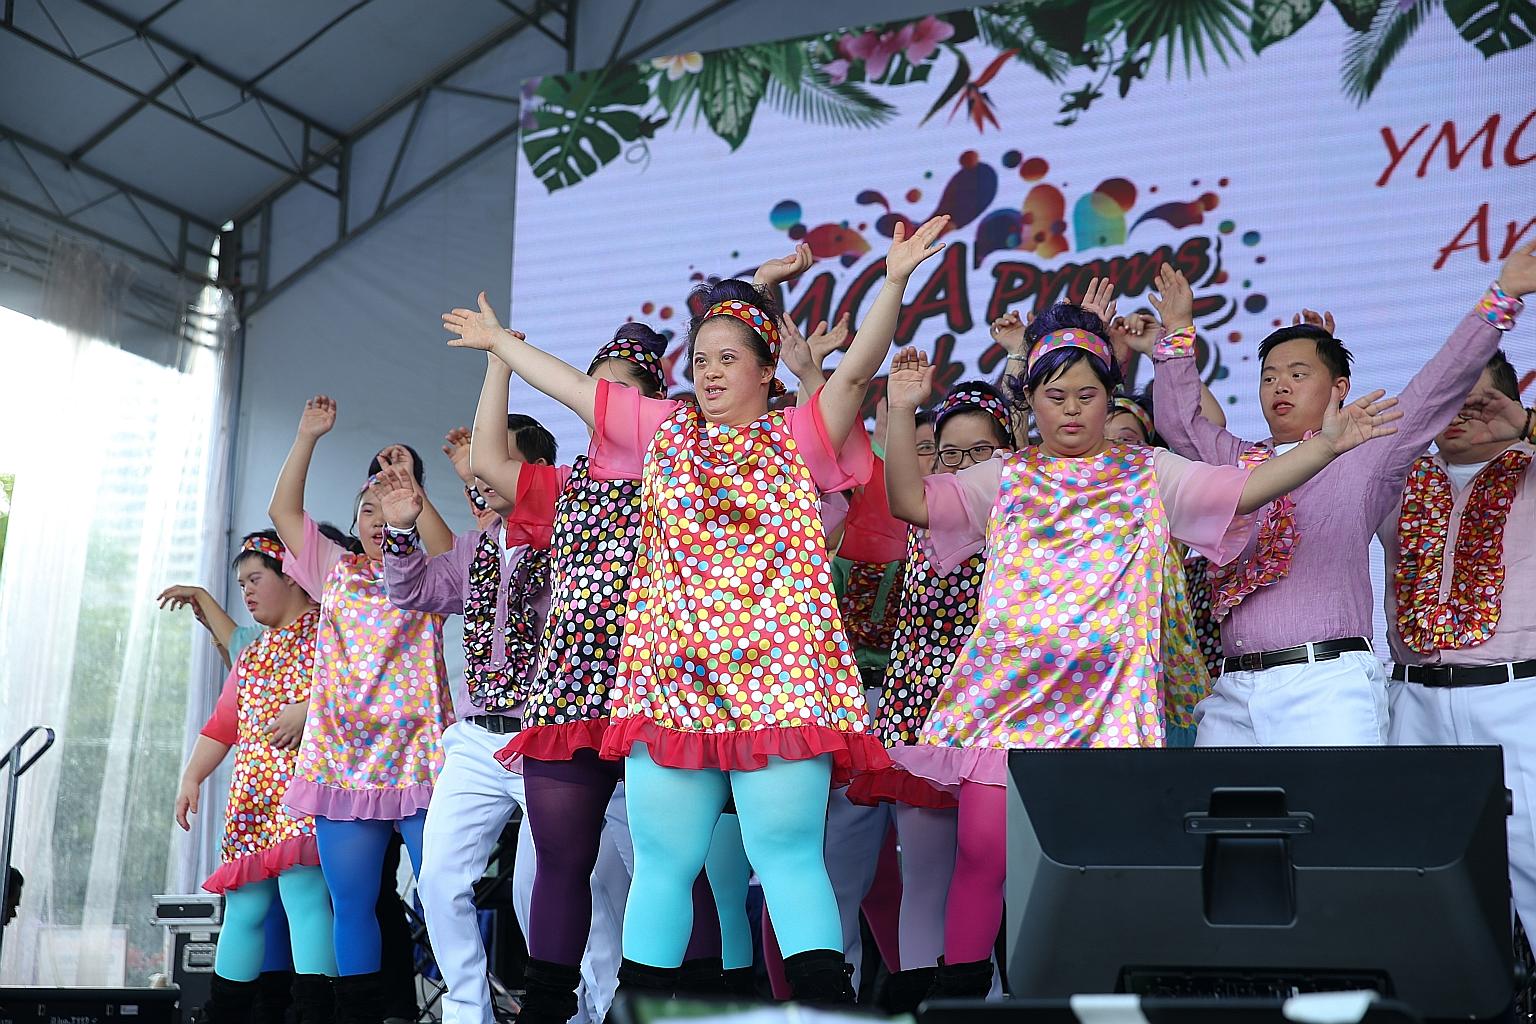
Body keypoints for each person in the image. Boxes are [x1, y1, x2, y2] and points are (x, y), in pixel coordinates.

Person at [443, 216, 950, 1002]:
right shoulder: (666, 432)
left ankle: (821, 1016)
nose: (710, 373)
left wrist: (893, 281)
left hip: (780, 689)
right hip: (670, 692)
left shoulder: (800, 437)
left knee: (787, 861)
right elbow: (576, 388)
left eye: (727, 360)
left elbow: (853, 377)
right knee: (664, 868)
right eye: (701, 360)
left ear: (761, 368)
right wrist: (501, 345)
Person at [881, 290, 1400, 996]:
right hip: (1004, 699)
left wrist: (1327, 446)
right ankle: (963, 994)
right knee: (982, 852)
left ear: (1109, 397)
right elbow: (910, 503)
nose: (1071, 410)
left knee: (1098, 861)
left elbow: (1244, 490)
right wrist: (900, 408)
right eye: (1055, 395)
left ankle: (1086, 997)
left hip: (1106, 707)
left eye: (1087, 395)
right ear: (1029, 400)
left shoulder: (1146, 472)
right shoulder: (1009, 475)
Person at [1148, 244, 1536, 745]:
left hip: (1326, 682)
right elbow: (1180, 424)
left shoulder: (1367, 453)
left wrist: (1500, 298)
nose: (1279, 386)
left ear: (1339, 388)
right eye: (1269, 377)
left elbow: (1439, 384)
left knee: (1339, 823)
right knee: (1224, 822)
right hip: (1234, 689)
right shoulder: (1236, 462)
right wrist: (1177, 333)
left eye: (1297, 374)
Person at [268, 397, 456, 1022]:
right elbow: (283, 511)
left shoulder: (428, 573)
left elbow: (450, 548)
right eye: (368, 506)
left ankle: (468, 1005)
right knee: (351, 907)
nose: (379, 515)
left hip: (422, 760)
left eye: (392, 504)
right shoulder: (334, 569)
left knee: (444, 896)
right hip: (345, 765)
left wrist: (414, 498)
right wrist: (306, 436)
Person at [380, 418, 556, 1024]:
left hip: (549, 741)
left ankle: (590, 1006)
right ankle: (465, 1010)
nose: (482, 472)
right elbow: (412, 592)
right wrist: (402, 527)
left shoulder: (573, 540)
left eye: (497, 458)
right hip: (479, 738)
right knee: (438, 880)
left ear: (533, 474)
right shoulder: (473, 549)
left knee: (542, 894)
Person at [845, 380, 1015, 1011]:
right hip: (919, 716)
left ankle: (992, 995)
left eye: (980, 453)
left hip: (994, 719)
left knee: (992, 874)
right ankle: (922, 1002)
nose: (962, 467)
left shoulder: (1026, 522)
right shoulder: (917, 513)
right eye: (949, 454)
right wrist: (899, 409)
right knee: (923, 876)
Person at [1380, 348, 1536, 934]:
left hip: (1518, 697)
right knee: (1420, 871)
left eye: (1481, 400)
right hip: (1414, 700)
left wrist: (1525, 427)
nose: (1463, 412)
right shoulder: (1397, 478)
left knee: (1532, 854)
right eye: (1450, 399)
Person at [173, 531, 337, 1024]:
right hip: (252, 804)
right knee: (242, 912)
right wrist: (191, 777)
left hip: (301, 795)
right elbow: (223, 725)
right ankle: (225, 1016)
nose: (245, 591)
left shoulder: (329, 633)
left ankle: (315, 1015)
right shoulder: (252, 652)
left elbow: (356, 696)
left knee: (305, 900)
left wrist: (309, 709)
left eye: (255, 578)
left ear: (291, 576)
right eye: (241, 582)